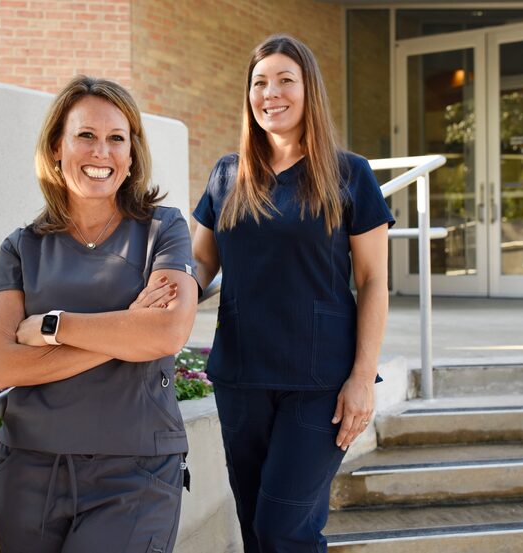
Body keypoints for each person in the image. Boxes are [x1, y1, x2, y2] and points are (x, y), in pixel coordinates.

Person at [191, 34, 394, 552]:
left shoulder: (350, 174)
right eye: (260, 82)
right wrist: (161, 293)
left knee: (286, 529)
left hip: (320, 381)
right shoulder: (227, 173)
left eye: (285, 80)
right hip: (241, 376)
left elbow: (373, 281)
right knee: (256, 529)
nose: (270, 93)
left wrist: (361, 379)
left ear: (309, 92)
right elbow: (200, 261)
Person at [0, 75, 198, 553]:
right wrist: (124, 332)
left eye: (116, 139)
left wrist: (53, 327)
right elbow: (1, 365)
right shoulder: (21, 246)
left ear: (131, 154)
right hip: (31, 472)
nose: (102, 152)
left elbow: (166, 333)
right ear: (57, 147)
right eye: (86, 136)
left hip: (137, 473)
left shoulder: (164, 230)